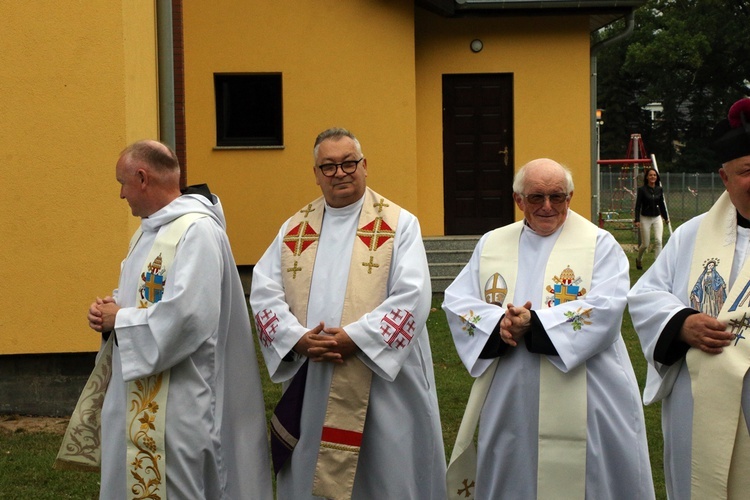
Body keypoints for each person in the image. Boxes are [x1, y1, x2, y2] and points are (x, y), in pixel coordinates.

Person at [55, 140, 273, 499]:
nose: (121, 195)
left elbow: (189, 316)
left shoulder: (196, 231)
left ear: (142, 178)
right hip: (137, 392)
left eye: (122, 183)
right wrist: (110, 307)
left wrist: (120, 320)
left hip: (178, 402)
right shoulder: (149, 230)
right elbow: (144, 294)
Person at [250, 127, 446, 499]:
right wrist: (297, 339)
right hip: (316, 376)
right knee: (314, 473)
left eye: (349, 163)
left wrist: (356, 338)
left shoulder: (399, 224)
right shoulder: (294, 230)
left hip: (383, 382)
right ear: (316, 173)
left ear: (365, 166)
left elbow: (413, 295)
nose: (340, 173)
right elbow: (263, 293)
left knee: (386, 472)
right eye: (329, 166)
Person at [442, 158, 654, 499]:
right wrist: (499, 324)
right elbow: (456, 302)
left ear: (570, 197)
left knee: (590, 479)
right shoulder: (493, 244)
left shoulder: (599, 244)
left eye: (557, 197)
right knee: (515, 472)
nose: (547, 206)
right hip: (513, 390)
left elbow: (607, 307)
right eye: (536, 197)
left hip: (589, 388)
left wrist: (535, 323)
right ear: (518, 200)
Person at [628, 97, 750, 499]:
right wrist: (681, 323)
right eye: (748, 171)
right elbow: (646, 295)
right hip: (699, 397)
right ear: (724, 177)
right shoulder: (692, 235)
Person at [634, 166, 670, 269]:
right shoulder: (642, 190)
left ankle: (657, 266)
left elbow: (662, 204)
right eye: (650, 175)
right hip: (645, 218)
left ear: (657, 177)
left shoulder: (659, 189)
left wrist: (666, 217)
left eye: (654, 175)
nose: (652, 177)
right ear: (647, 177)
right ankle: (639, 259)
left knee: (658, 241)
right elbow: (638, 206)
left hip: (657, 217)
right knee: (645, 244)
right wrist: (637, 220)